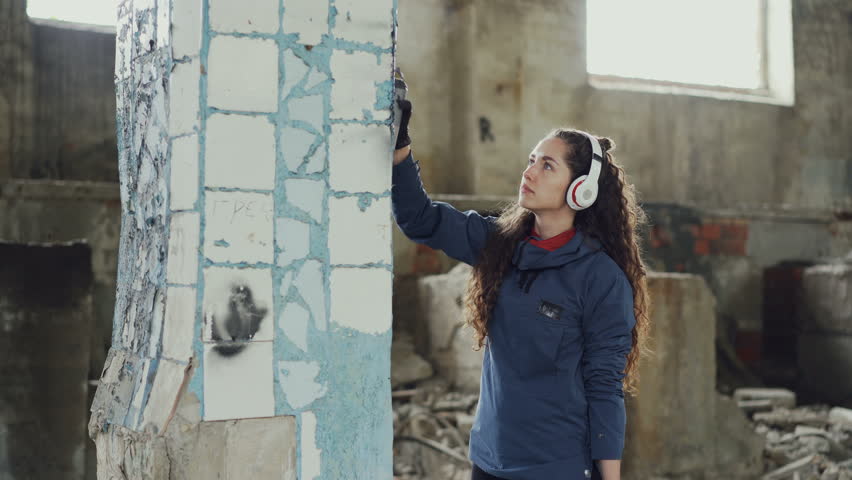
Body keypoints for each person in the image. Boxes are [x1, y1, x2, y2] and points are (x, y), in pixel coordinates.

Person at [390, 77, 651, 480]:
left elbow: (604, 387)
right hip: (489, 460)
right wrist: (400, 148)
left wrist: (610, 476)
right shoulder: (498, 244)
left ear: (581, 190)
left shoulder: (601, 279)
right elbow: (420, 219)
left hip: (556, 467)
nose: (529, 172)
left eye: (547, 165)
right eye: (531, 160)